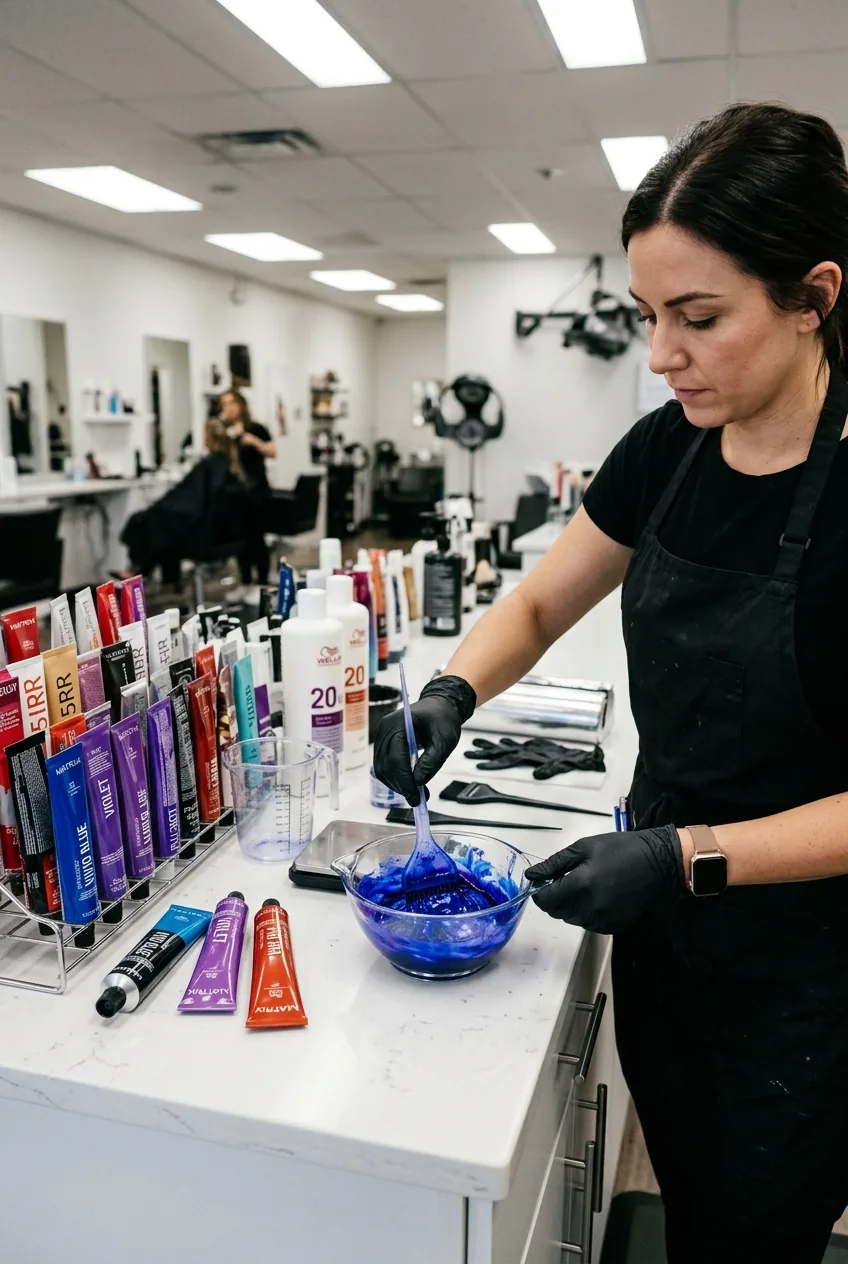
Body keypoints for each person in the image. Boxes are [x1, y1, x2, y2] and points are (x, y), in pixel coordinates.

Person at [374, 102, 848, 1264]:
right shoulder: (667, 449)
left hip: (806, 972)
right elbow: (539, 604)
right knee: (685, 1188)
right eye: (646, 315)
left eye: (698, 318)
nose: (658, 355)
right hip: (663, 930)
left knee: (755, 1230)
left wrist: (682, 855)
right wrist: (450, 689)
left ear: (811, 297)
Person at [120, 416, 249, 586]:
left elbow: (189, 503)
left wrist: (161, 508)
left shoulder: (209, 465)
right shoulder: (232, 466)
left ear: (209, 438)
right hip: (223, 534)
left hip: (205, 538)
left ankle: (140, 570)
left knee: (151, 523)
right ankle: (147, 572)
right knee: (160, 525)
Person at [218, 389, 276, 587]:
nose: (228, 408)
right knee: (240, 541)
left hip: (257, 493)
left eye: (231, 403)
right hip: (236, 495)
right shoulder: (224, 433)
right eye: (224, 404)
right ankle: (245, 582)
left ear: (241, 405)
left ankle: (262, 582)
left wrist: (252, 441)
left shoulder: (256, 428)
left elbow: (272, 451)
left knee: (257, 539)